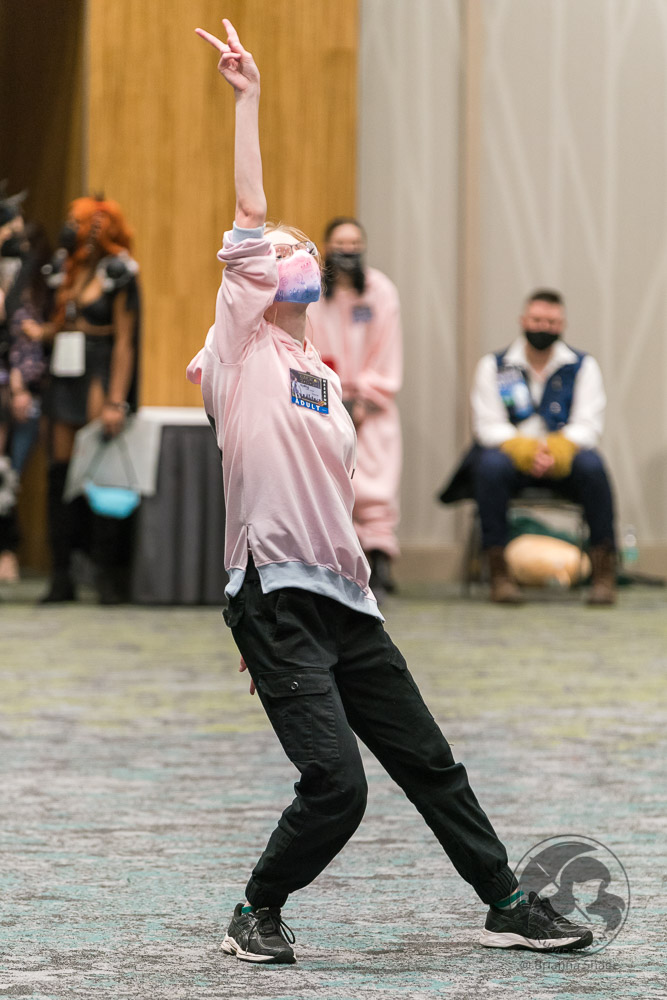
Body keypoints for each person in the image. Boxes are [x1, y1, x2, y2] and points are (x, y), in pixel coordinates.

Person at [187, 19, 593, 965]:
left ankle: (505, 901)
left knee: (429, 762)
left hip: (346, 600)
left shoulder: (323, 380)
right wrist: (249, 100)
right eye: (277, 250)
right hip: (276, 601)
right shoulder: (238, 352)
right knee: (338, 787)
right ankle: (255, 908)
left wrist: (345, 586)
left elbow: (327, 499)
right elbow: (248, 212)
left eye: (294, 249)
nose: (290, 252)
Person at [470, 289, 616, 605]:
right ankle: (499, 573)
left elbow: (588, 425)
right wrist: (526, 451)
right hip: (511, 458)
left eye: (551, 322)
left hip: (564, 458)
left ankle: (604, 572)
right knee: (489, 467)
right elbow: (487, 426)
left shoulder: (582, 366)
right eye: (537, 320)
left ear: (562, 325)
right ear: (523, 320)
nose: (543, 327)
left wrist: (555, 451)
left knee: (594, 467)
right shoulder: (494, 366)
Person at [39, 196, 140, 604]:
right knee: (59, 474)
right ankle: (61, 575)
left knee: (100, 474)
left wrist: (117, 399)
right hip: (64, 373)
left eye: (82, 222)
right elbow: (58, 321)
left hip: (99, 371)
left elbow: (125, 342)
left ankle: (106, 575)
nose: (78, 230)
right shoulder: (66, 269)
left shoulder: (120, 273)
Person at [307, 218, 402, 599]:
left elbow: (387, 349)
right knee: (326, 482)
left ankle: (380, 558)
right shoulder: (311, 290)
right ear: (327, 247)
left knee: (375, 483)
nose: (348, 250)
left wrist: (364, 398)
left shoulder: (381, 291)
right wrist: (328, 399)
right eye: (340, 243)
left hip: (371, 405)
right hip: (321, 402)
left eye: (354, 243)